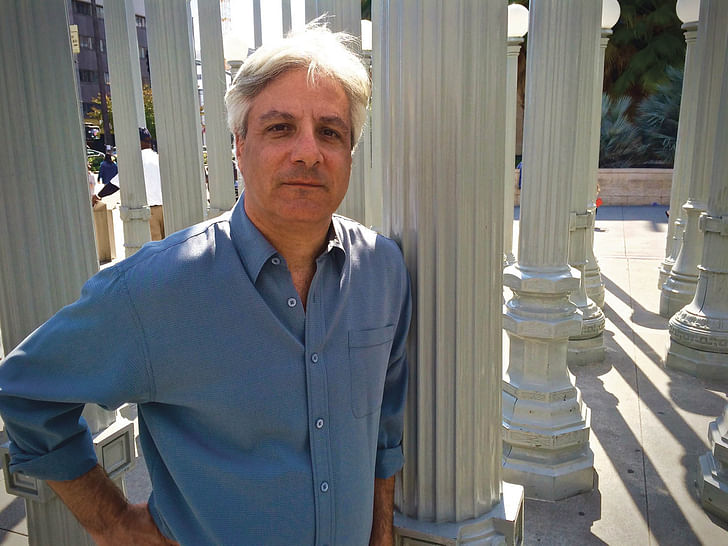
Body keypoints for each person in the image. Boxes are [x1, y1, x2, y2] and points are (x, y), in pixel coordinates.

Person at [0, 22, 410, 546]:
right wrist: (112, 523)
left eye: (330, 131)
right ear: (238, 147)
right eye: (280, 128)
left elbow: (384, 432)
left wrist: (381, 533)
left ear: (351, 152)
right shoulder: (158, 288)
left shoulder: (384, 272)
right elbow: (25, 391)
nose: (308, 152)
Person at [91, 130, 165, 241]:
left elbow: (115, 184)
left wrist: (98, 195)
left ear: (137, 142)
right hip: (166, 208)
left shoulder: (137, 161)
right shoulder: (159, 157)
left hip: (149, 211)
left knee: (156, 246)